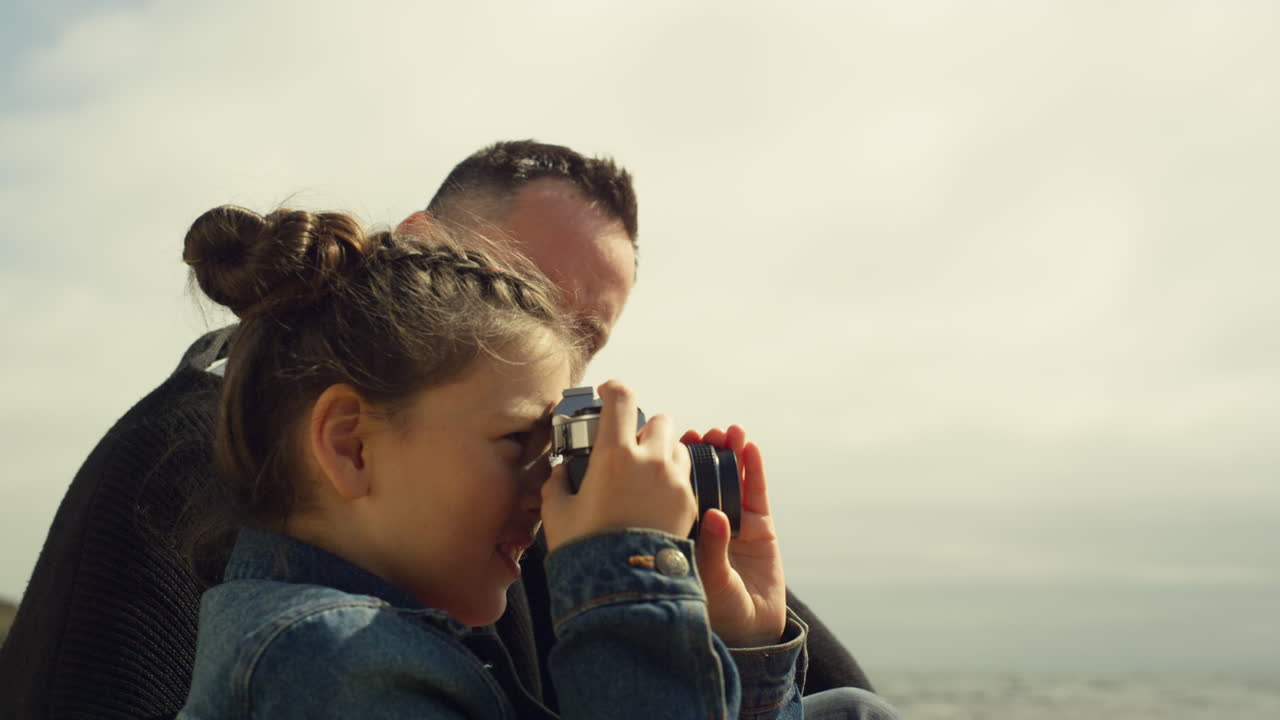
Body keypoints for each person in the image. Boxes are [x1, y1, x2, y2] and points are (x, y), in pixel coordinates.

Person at [0, 140, 879, 719]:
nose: (557, 450)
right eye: (515, 281)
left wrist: (743, 649)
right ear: (415, 246)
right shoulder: (318, 639)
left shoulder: (450, 537)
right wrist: (628, 575)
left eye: (584, 344)